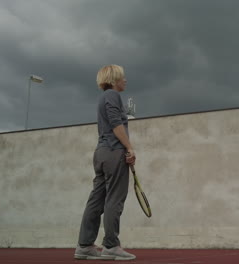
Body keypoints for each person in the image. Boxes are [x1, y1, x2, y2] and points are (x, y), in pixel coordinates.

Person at [74, 64, 136, 260]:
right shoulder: (112, 96)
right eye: (122, 77)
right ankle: (110, 245)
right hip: (113, 151)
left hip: (101, 152)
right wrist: (129, 148)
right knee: (114, 199)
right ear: (113, 79)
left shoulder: (103, 98)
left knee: (97, 199)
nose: (125, 80)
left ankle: (84, 246)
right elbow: (116, 123)